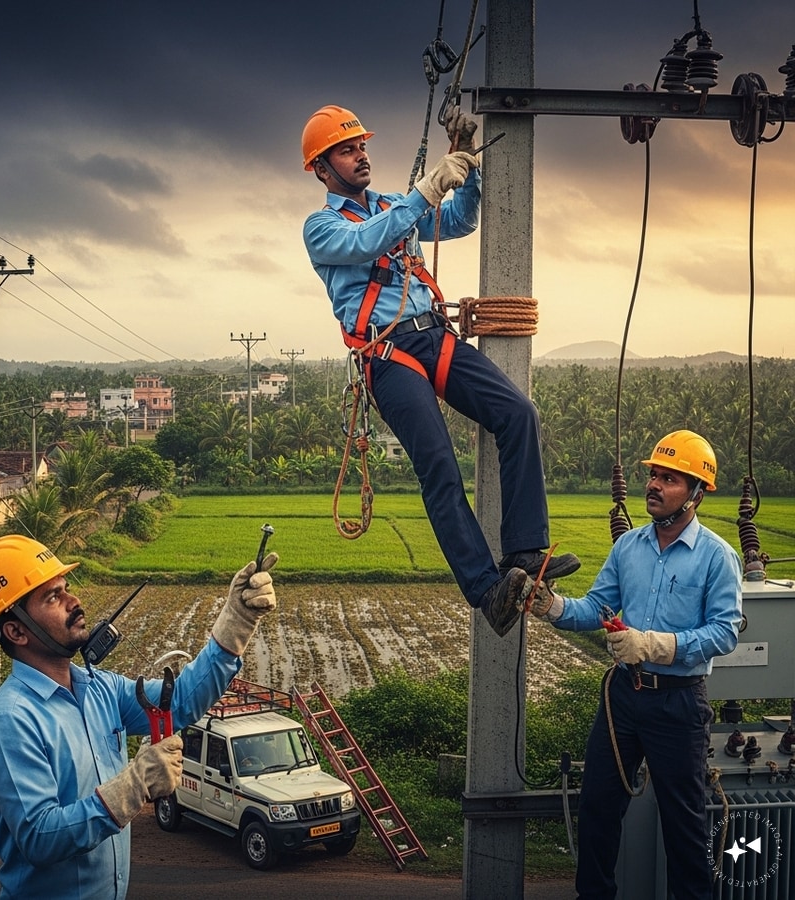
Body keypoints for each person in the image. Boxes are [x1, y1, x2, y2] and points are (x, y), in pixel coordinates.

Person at [300, 103, 581, 636]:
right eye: (347, 150)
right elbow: (366, 242)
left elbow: (458, 221)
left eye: (361, 146)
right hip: (388, 354)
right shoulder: (321, 227)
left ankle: (525, 551)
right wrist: (428, 187)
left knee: (518, 413)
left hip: (434, 335)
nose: (360, 156)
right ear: (321, 168)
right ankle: (486, 589)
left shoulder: (393, 203)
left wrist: (466, 167)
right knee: (439, 465)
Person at [0, 534, 277, 899]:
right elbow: (40, 837)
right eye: (52, 597)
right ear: (16, 631)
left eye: (66, 589)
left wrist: (236, 623)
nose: (73, 602)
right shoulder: (11, 722)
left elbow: (177, 704)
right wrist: (134, 785)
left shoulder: (100, 688)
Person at [528, 429, 742, 899]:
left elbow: (725, 632)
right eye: (654, 476)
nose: (655, 485)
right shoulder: (629, 547)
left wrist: (653, 645)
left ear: (697, 494)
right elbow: (598, 607)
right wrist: (553, 606)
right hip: (624, 697)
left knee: (684, 825)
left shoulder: (716, 557)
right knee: (598, 808)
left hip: (678, 703)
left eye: (670, 479)